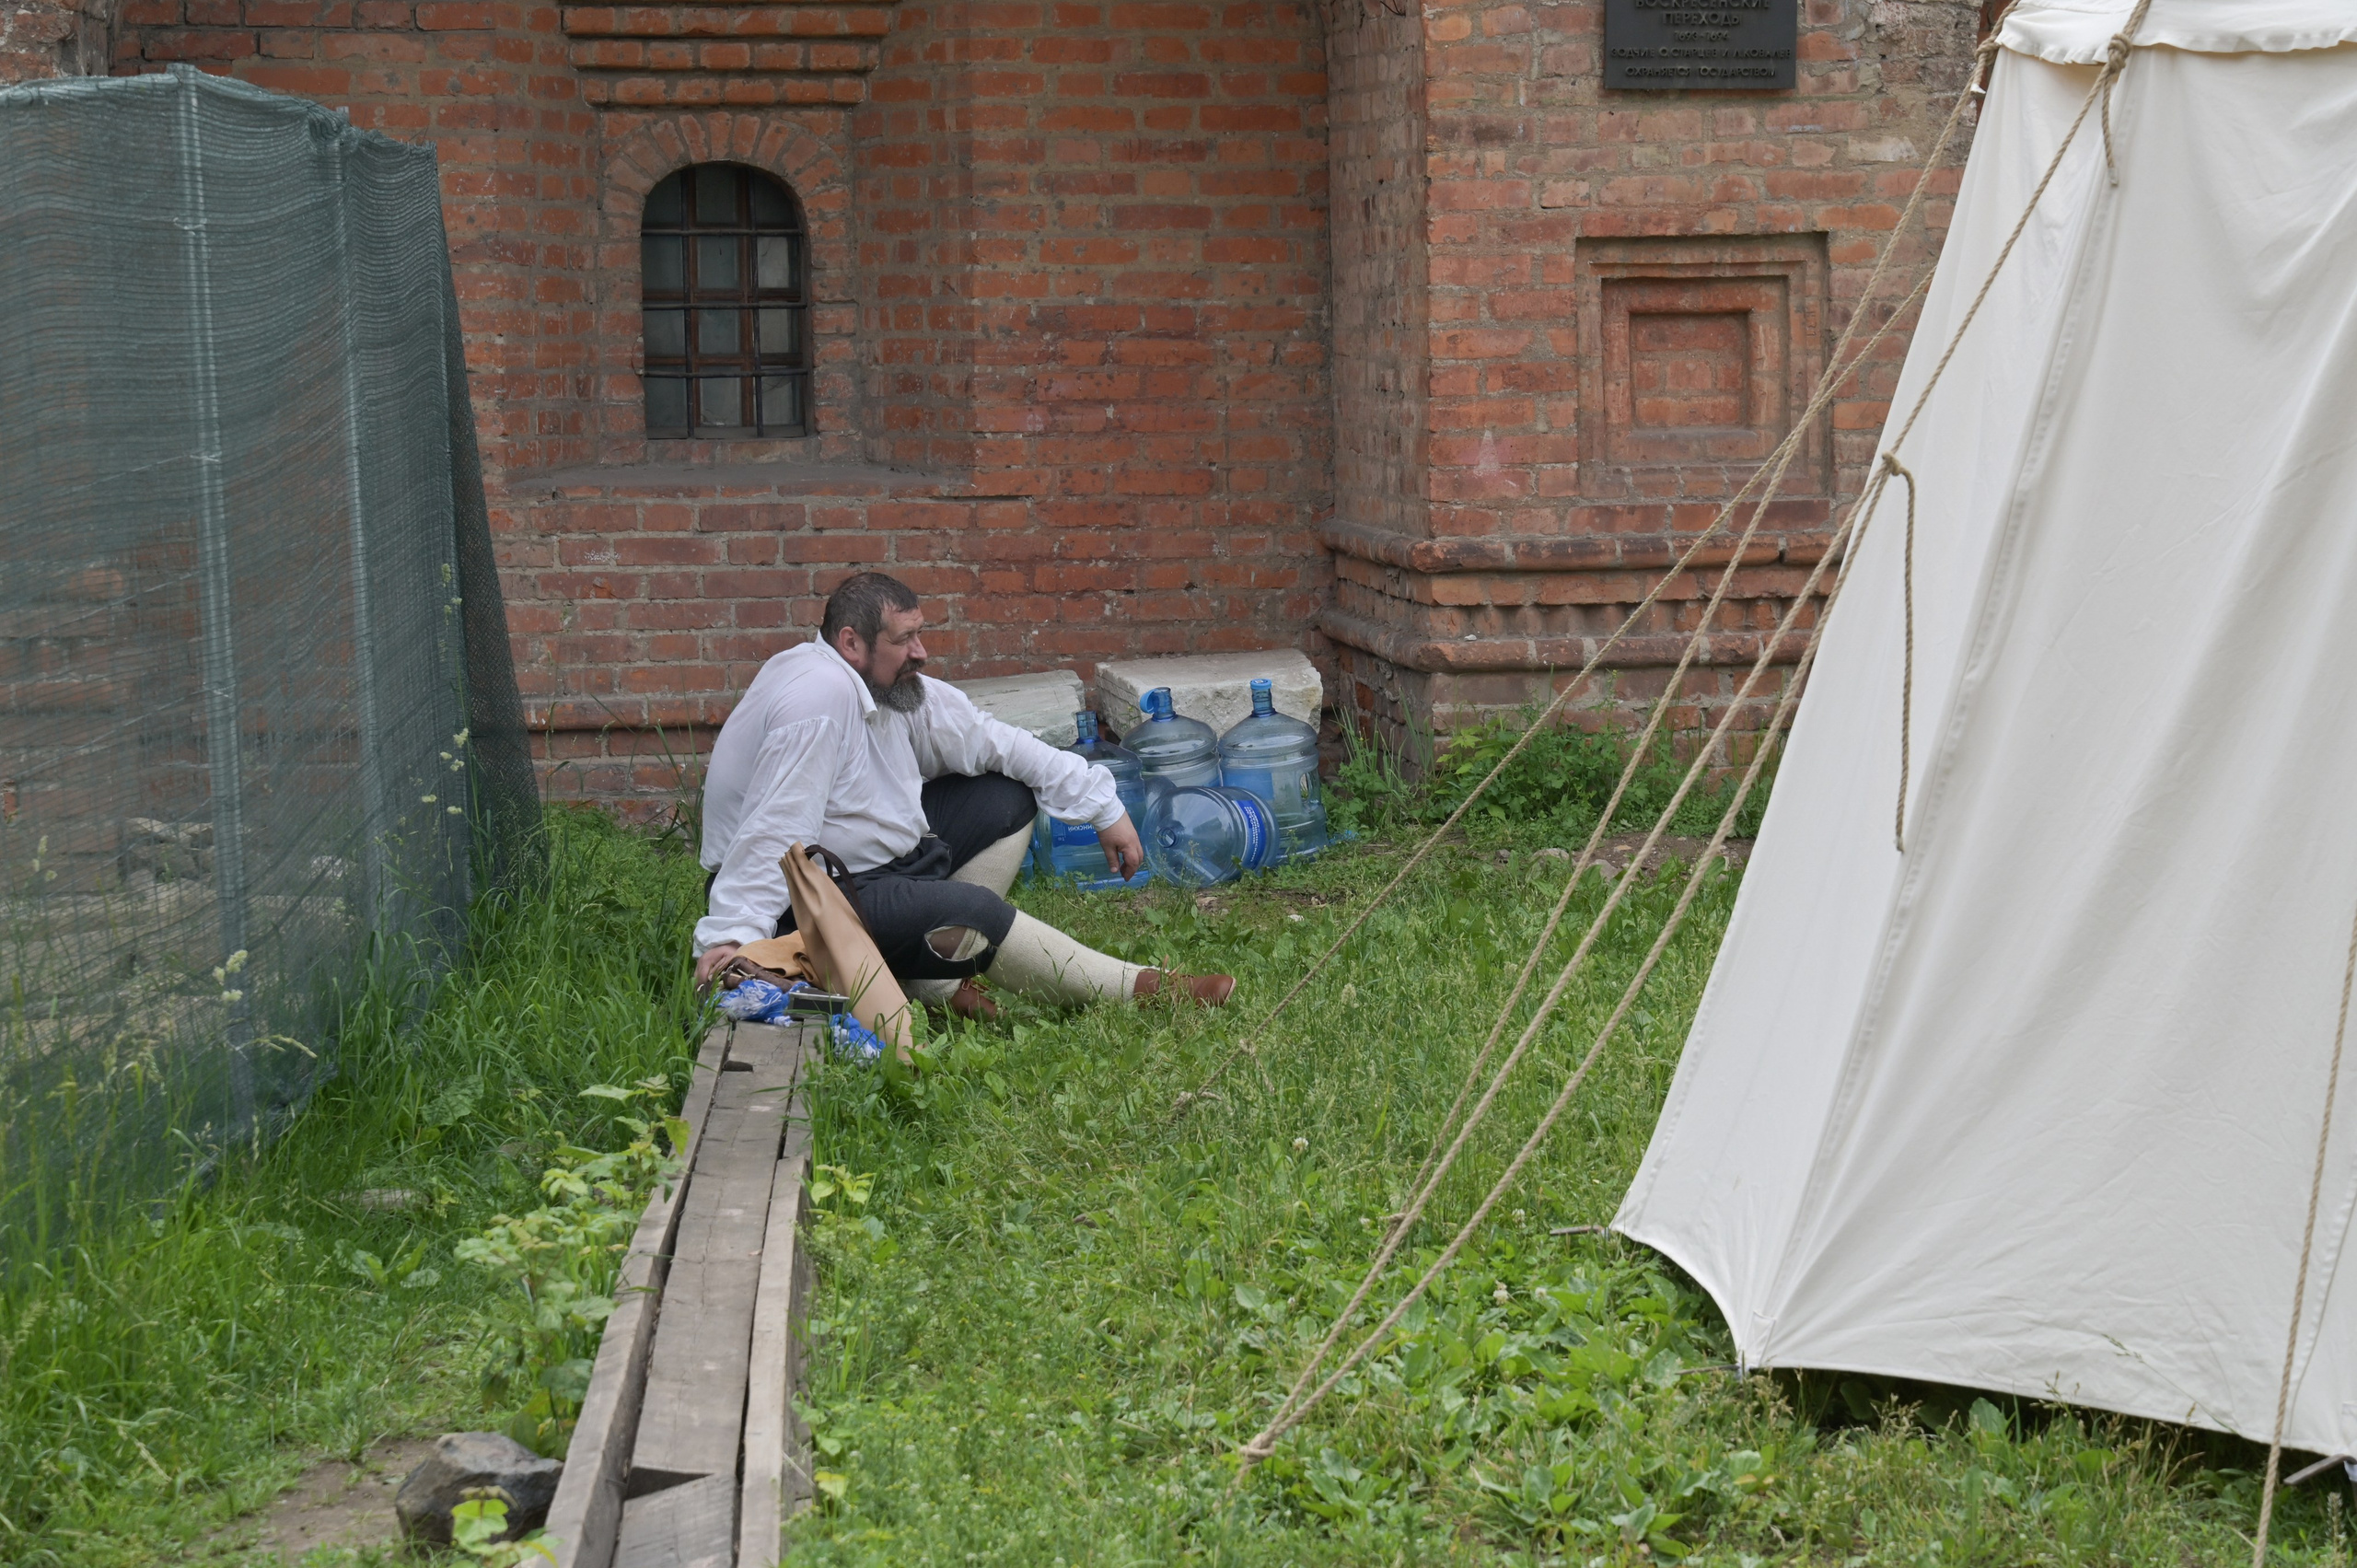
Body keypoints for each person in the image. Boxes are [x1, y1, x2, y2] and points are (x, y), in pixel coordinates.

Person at [692, 573, 1235, 1016]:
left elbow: (991, 740)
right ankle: (1146, 990)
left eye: (920, 634)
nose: (921, 652)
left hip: (872, 865)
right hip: (806, 903)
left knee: (1005, 799)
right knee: (973, 912)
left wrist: (1103, 806)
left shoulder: (885, 685)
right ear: (851, 642)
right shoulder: (818, 696)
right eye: (903, 640)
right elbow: (775, 831)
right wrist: (736, 941)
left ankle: (933, 983)